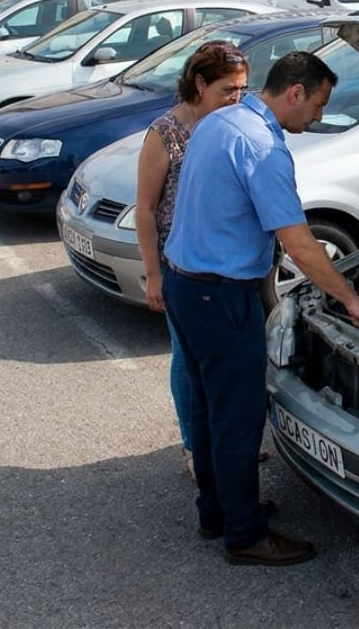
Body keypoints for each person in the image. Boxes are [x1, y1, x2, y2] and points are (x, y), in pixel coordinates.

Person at [162, 50, 359, 567]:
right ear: (294, 93)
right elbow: (302, 245)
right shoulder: (263, 147)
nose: (319, 117)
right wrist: (350, 298)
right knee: (238, 415)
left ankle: (216, 511)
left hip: (184, 285)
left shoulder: (220, 121)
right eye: (318, 105)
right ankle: (245, 535)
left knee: (206, 408)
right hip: (220, 297)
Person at [132, 41, 251, 480]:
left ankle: (226, 445)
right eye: (227, 89)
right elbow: (145, 208)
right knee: (189, 358)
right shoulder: (165, 134)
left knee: (227, 361)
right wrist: (153, 274)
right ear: (198, 84)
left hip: (227, 266)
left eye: (242, 88)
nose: (237, 97)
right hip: (182, 268)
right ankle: (194, 446)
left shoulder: (231, 122)